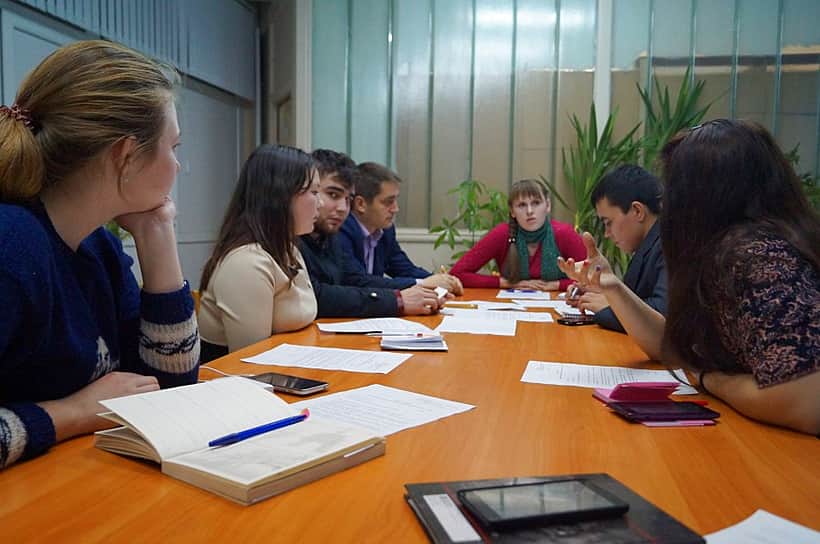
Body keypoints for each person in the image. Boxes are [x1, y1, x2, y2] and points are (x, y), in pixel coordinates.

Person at [0, 41, 200, 470]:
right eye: (174, 148)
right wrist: (72, 413)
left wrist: (156, 231)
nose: (178, 167)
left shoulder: (98, 247)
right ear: (126, 156)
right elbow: (101, 404)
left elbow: (165, 388)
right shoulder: (11, 247)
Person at [558, 119, 820, 435]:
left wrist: (712, 380)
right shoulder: (724, 250)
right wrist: (614, 287)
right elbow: (670, 347)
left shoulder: (757, 253)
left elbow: (806, 400)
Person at [198, 145, 320, 363]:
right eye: (314, 192)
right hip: (238, 385)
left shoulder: (288, 249)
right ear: (282, 196)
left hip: (290, 365)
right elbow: (250, 364)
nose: (320, 204)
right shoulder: (247, 263)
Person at [298, 150, 444, 318]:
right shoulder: (299, 237)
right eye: (333, 195)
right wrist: (398, 300)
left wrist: (420, 291)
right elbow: (316, 295)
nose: (343, 208)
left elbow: (351, 279)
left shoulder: (329, 235)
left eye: (347, 199)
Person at [567, 165, 667, 332]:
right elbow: (638, 298)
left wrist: (611, 307)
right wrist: (603, 291)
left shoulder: (671, 244)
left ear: (637, 211)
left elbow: (662, 316)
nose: (606, 233)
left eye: (608, 223)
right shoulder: (648, 244)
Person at [338, 162, 462, 293]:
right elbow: (357, 281)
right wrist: (423, 283)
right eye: (388, 202)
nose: (396, 209)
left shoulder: (385, 230)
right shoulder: (341, 230)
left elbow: (404, 269)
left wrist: (441, 280)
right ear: (360, 204)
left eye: (396, 200)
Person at [450, 178, 586, 291]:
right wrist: (506, 283)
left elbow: (592, 280)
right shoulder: (502, 234)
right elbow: (457, 274)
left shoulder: (565, 234)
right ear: (512, 211)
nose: (530, 211)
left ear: (548, 205)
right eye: (522, 205)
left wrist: (556, 285)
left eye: (536, 203)